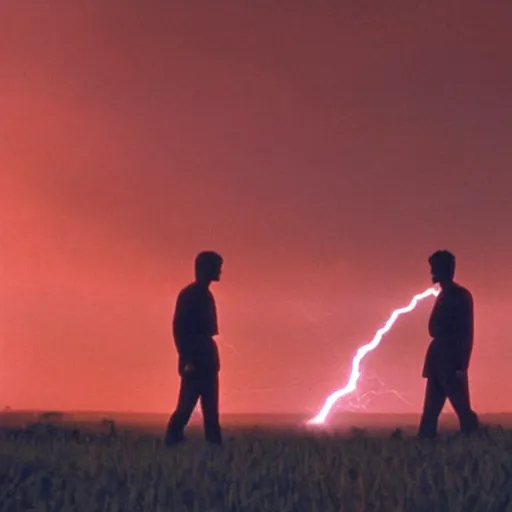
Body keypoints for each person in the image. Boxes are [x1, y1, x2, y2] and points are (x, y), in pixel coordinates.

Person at [418, 250, 479, 439]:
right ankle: (424, 445)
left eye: (434, 269)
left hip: (451, 362)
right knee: (430, 411)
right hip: (438, 361)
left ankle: (476, 443)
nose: (431, 273)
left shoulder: (460, 296)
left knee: (462, 408)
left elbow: (467, 332)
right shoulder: (444, 296)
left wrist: (462, 364)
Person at [164, 251, 223, 446]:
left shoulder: (205, 295)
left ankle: (213, 446)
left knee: (211, 411)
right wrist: (187, 359)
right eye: (216, 267)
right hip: (196, 361)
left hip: (206, 360)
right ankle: (171, 442)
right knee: (186, 407)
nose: (220, 271)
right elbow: (179, 329)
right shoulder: (191, 295)